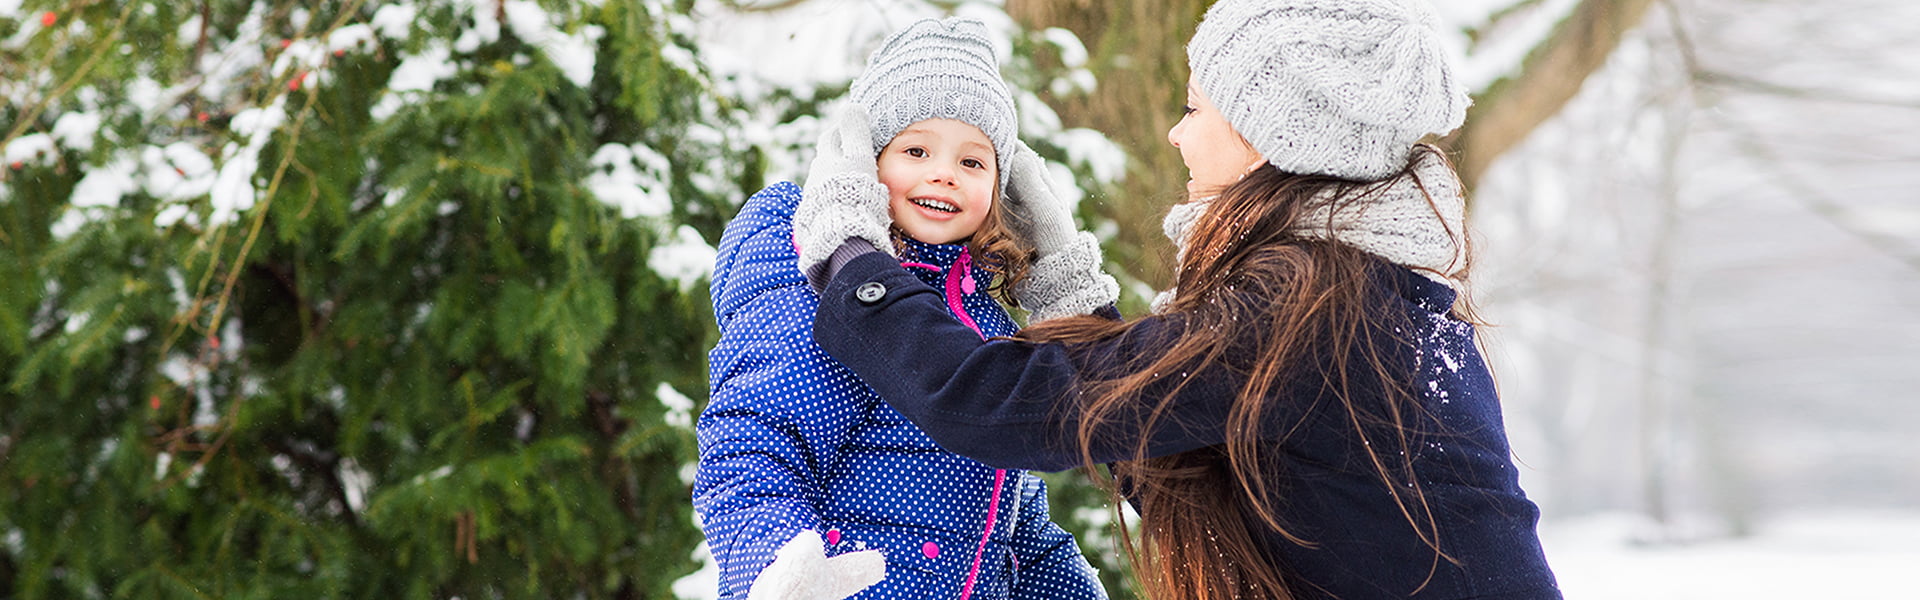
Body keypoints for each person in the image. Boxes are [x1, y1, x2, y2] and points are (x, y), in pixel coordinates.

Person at [795, 1, 1563, 599]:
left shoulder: (1309, 309)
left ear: (1267, 137)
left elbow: (997, 405)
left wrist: (851, 259)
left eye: (1195, 109)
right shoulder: (1373, 294)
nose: (1173, 134)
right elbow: (1173, 458)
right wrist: (1063, 294)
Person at [693, 17, 1110, 600]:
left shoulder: (986, 320)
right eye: (916, 149)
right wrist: (776, 565)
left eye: (973, 162)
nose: (944, 172)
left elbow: (1016, 522)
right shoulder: (814, 290)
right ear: (865, 160)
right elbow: (756, 443)